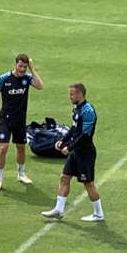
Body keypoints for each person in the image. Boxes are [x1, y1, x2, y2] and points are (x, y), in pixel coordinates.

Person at [41, 83, 104, 222]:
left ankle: (99, 214)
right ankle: (59, 209)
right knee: (64, 177)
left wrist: (69, 148)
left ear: (80, 94)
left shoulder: (88, 110)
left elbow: (85, 135)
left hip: (85, 153)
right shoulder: (76, 108)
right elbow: (73, 129)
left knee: (88, 184)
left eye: (72, 94)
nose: (70, 96)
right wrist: (62, 141)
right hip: (76, 151)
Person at [0, 53, 44, 190]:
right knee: (3, 148)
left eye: (25, 67)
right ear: (15, 64)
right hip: (5, 119)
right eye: (20, 66)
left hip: (20, 120)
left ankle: (21, 174)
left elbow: (40, 86)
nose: (22, 69)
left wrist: (33, 69)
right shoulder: (4, 79)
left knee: (21, 147)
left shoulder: (27, 79)